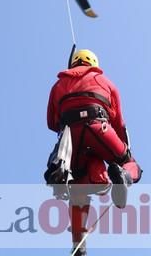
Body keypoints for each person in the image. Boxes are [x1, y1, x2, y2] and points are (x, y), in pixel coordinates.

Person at [46, 49, 142, 256]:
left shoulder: (57, 85)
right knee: (131, 163)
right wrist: (120, 153)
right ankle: (124, 176)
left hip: (71, 137)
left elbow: (52, 123)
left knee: (78, 190)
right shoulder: (106, 82)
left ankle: (78, 246)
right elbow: (118, 122)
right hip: (100, 128)